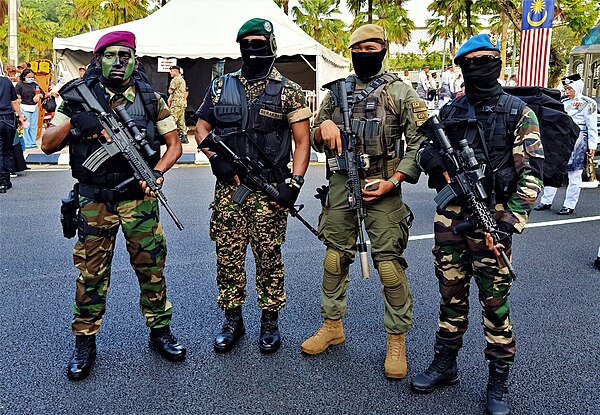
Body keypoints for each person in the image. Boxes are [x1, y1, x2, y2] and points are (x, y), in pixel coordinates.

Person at [41, 30, 186, 381]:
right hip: (95, 200)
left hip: (139, 200)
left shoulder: (151, 99)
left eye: (125, 55)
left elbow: (174, 145)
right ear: (97, 59)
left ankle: (160, 332)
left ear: (135, 60)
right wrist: (76, 123)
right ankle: (85, 341)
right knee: (91, 274)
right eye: (110, 55)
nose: (118, 62)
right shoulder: (76, 100)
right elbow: (45, 144)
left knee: (151, 269)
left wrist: (157, 172)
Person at [411, 34, 544, 415]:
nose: (478, 68)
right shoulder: (452, 111)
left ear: (498, 64)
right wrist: (430, 159)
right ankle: (445, 363)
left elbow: (532, 173)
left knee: (495, 303)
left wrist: (508, 222)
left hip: (493, 218)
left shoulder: (518, 112)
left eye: (486, 60)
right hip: (451, 219)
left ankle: (498, 378)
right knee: (451, 295)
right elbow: (425, 150)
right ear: (462, 67)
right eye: (470, 63)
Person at [300, 24, 427, 380]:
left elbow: (420, 142)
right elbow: (314, 133)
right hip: (342, 182)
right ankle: (332, 325)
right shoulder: (335, 93)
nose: (366, 52)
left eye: (373, 47)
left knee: (388, 265)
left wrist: (394, 181)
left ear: (383, 50)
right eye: (360, 47)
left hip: (383, 183)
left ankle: (396, 339)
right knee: (335, 256)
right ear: (351, 51)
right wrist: (321, 129)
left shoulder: (401, 92)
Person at [194, 18, 311, 354]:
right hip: (230, 189)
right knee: (228, 257)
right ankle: (233, 321)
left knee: (269, 257)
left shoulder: (289, 91)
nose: (252, 50)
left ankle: (270, 322)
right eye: (246, 44)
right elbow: (202, 127)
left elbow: (302, 142)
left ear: (271, 46)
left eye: (259, 43)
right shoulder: (220, 86)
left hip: (270, 189)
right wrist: (215, 157)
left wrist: (295, 184)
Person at [535, 74, 598, 214]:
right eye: (566, 89)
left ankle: (569, 204)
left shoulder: (589, 103)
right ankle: (546, 201)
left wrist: (592, 145)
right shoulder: (563, 102)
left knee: (574, 174)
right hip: (560, 140)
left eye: (569, 88)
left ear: (577, 87)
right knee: (553, 170)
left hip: (578, 141)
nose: (567, 92)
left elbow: (592, 126)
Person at [0, 65, 26, 192]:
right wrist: (20, 117)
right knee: (8, 149)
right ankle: (6, 180)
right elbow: (14, 101)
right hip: (8, 119)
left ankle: (0, 180)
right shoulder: (6, 82)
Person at [15, 68, 45, 149]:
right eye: (29, 77)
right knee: (25, 126)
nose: (31, 78)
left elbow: (43, 94)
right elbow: (16, 95)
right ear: (24, 76)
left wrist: (39, 95)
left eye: (32, 77)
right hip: (24, 107)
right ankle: (27, 143)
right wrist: (19, 98)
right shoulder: (19, 85)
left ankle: (33, 142)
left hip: (34, 107)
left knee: (33, 125)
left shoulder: (35, 84)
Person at [167, 65, 188, 143]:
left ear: (176, 71)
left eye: (172, 71)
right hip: (182, 102)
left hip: (176, 102)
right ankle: (184, 136)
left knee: (172, 119)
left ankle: (171, 137)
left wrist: (170, 99)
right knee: (181, 120)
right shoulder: (182, 79)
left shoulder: (175, 79)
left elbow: (170, 91)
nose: (170, 73)